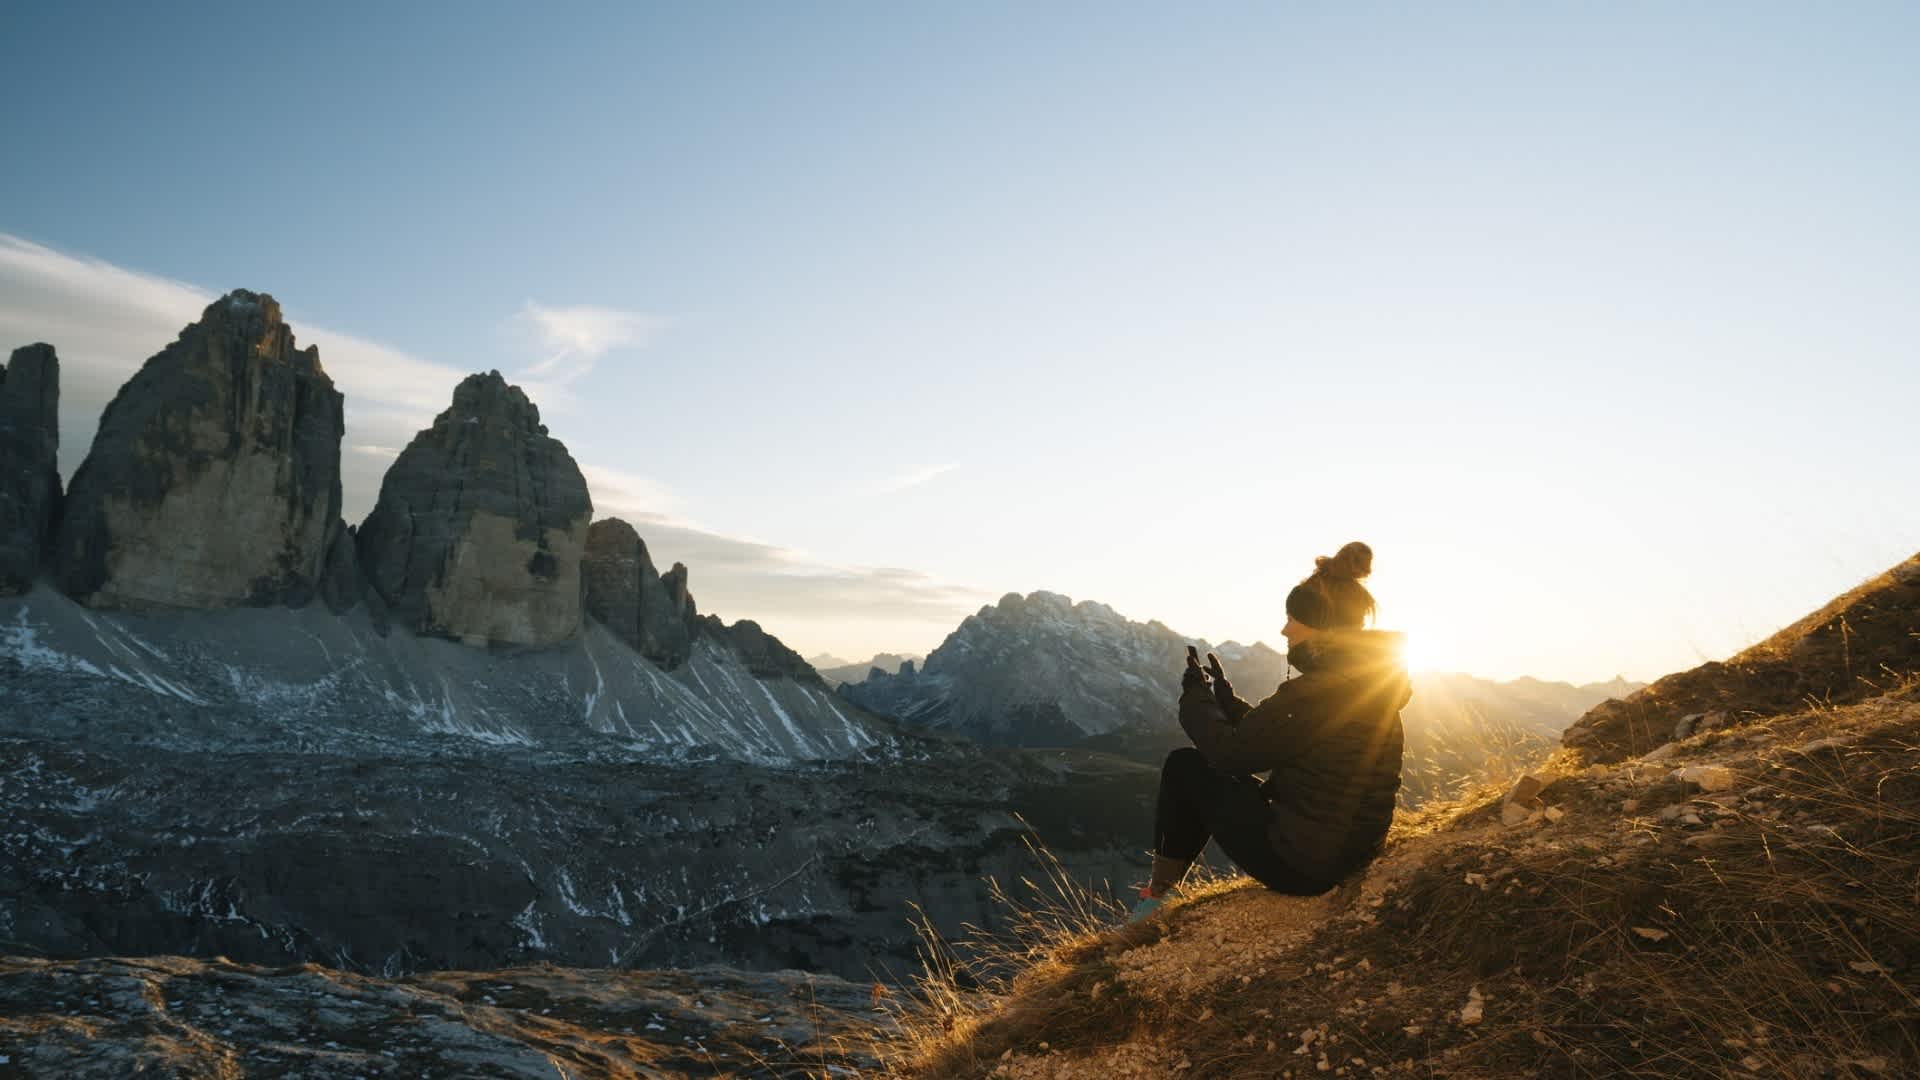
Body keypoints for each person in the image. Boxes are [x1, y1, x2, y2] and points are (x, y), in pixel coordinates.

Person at [1131, 541, 1410, 920]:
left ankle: (1156, 900)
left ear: (1323, 628)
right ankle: (1160, 897)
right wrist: (1227, 704)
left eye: (1295, 618)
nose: (1285, 629)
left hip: (1306, 867)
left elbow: (1230, 755)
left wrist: (1195, 697)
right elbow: (1288, 740)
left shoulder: (1322, 691)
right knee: (1202, 768)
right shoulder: (1365, 685)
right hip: (1353, 852)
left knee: (1186, 766)